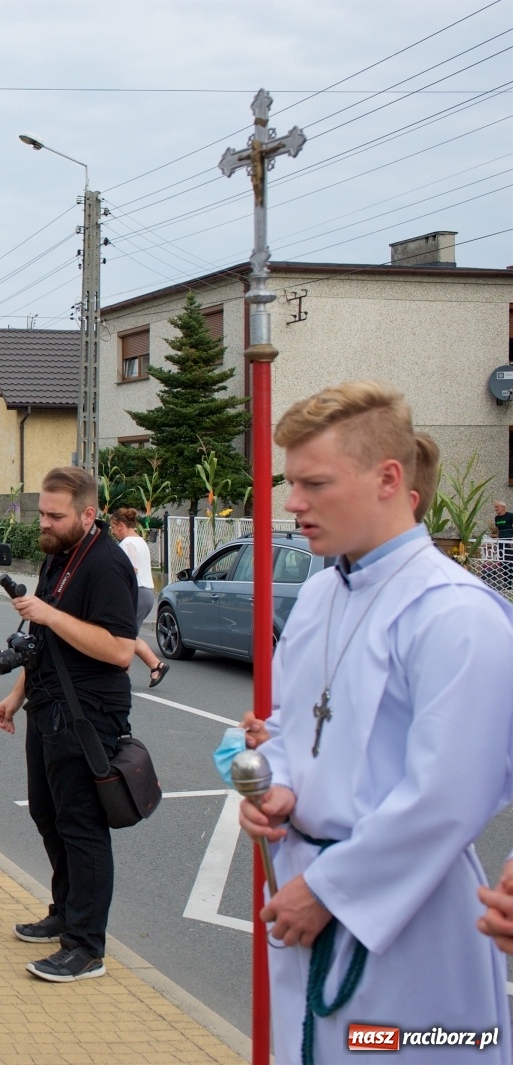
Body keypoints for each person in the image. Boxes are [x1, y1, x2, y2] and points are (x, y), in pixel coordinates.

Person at [235, 382, 513, 1062]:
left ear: (390, 478)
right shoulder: (324, 590)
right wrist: (276, 786)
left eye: (314, 482)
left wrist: (328, 891)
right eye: (290, 481)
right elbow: (291, 725)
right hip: (307, 892)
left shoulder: (456, 613)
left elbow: (448, 795)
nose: (293, 503)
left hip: (404, 919)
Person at [0, 465, 137, 984]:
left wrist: (50, 616)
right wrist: (15, 694)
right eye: (42, 514)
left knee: (83, 827)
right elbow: (43, 641)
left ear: (88, 514)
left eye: (55, 515)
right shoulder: (59, 556)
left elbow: (121, 651)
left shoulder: (107, 565)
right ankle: (64, 911)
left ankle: (86, 947)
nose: (44, 524)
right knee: (48, 815)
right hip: (48, 706)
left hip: (89, 713)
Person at [106, 508, 168, 687]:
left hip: (136, 593)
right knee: (128, 635)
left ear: (121, 525)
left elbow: (130, 570)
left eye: (112, 527)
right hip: (146, 592)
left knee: (122, 636)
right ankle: (155, 666)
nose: (112, 531)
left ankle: (124, 676)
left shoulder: (127, 544)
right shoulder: (140, 541)